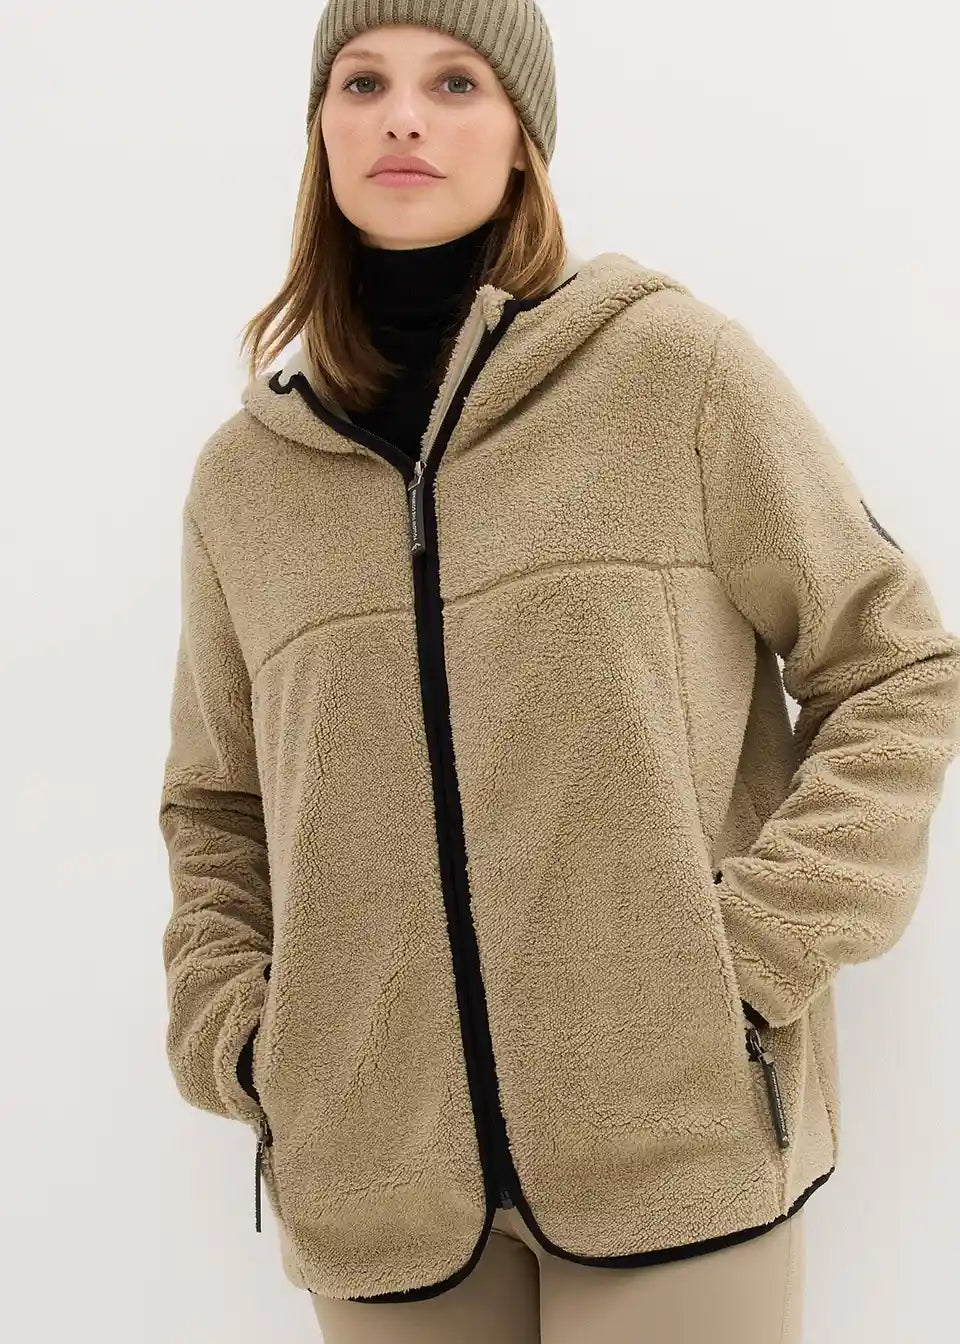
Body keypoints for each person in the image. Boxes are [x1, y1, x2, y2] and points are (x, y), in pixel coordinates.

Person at [156, 3, 960, 1340]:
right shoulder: (245, 485)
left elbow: (895, 665)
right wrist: (244, 1039)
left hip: (672, 1146)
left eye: (454, 83)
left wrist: (749, 959)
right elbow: (215, 806)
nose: (402, 117)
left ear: (524, 135)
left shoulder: (670, 372)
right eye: (362, 82)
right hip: (375, 1181)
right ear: (321, 131)